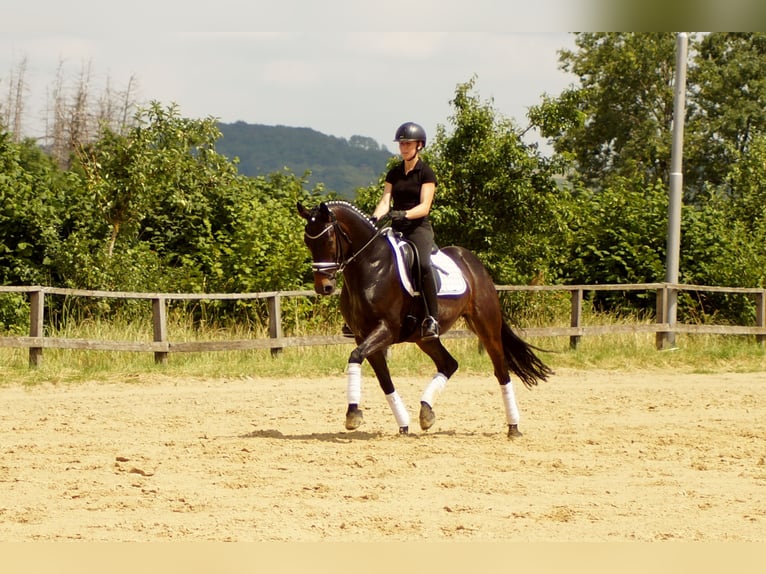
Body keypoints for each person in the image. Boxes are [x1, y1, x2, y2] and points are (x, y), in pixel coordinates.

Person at [371, 121, 440, 340]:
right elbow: (385, 201)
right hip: (396, 227)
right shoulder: (394, 173)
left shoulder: (426, 173)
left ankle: (432, 318)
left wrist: (405, 214)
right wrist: (374, 217)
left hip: (418, 227)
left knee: (423, 264)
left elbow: (425, 207)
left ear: (419, 145)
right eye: (401, 144)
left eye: (408, 144)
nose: (403, 148)